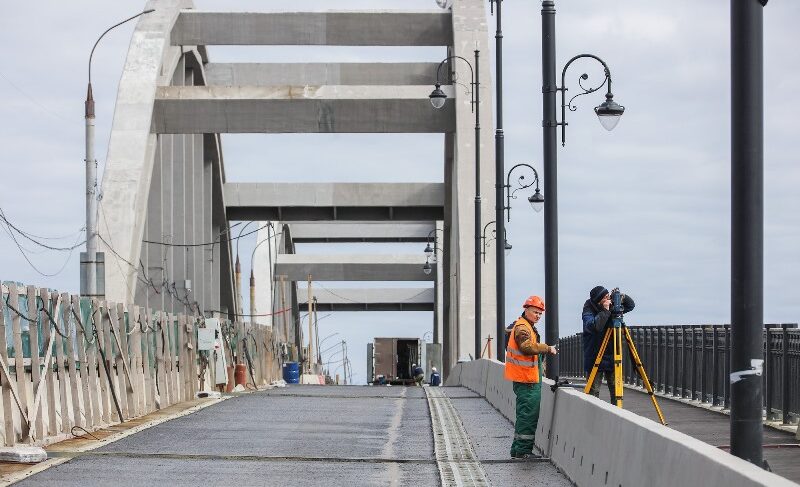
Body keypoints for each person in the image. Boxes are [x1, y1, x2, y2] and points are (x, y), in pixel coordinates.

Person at [505, 295, 557, 459]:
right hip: (526, 379)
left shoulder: (526, 325)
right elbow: (526, 347)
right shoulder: (523, 327)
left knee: (524, 414)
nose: (538, 316)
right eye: (535, 312)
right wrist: (547, 348)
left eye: (540, 313)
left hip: (527, 378)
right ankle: (523, 451)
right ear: (526, 309)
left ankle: (517, 449)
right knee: (528, 415)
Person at [582, 285, 635, 404]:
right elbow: (595, 326)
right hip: (595, 355)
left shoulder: (612, 305)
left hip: (612, 354)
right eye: (605, 297)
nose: (608, 299)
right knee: (593, 392)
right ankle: (592, 418)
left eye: (608, 296)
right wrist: (605, 311)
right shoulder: (588, 309)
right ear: (598, 300)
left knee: (617, 391)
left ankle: (617, 414)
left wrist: (623, 297)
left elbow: (631, 306)